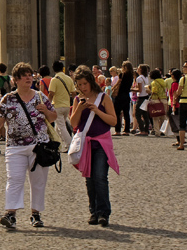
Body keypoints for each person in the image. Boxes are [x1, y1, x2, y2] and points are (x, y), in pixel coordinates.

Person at [0, 62, 57, 229]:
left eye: (30, 75)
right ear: (15, 80)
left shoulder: (40, 97)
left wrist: (47, 112)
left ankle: (36, 214)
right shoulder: (8, 99)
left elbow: (53, 117)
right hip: (15, 146)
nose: (28, 78)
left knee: (38, 182)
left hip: (39, 146)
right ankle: (11, 213)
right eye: (24, 75)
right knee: (14, 179)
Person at [69, 67, 119, 227]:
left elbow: (113, 121)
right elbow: (73, 123)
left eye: (85, 83)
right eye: (79, 84)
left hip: (101, 143)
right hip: (86, 143)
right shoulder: (78, 100)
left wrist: (97, 111)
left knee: (100, 178)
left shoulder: (104, 98)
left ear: (91, 82)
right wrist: (79, 109)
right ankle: (94, 212)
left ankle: (104, 213)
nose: (83, 87)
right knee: (89, 179)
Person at [48, 60, 74, 151]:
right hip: (67, 105)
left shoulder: (54, 80)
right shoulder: (68, 78)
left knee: (61, 126)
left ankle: (70, 144)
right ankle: (59, 143)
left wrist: (48, 104)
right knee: (58, 127)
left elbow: (51, 93)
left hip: (57, 106)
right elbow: (73, 92)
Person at [113, 62, 134, 135]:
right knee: (126, 113)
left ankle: (117, 130)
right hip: (127, 95)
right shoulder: (131, 76)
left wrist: (113, 89)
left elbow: (118, 84)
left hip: (120, 95)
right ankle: (126, 130)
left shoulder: (122, 75)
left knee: (117, 113)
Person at [145, 69, 168, 137]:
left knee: (155, 117)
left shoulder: (154, 82)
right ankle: (163, 131)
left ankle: (157, 132)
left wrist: (149, 91)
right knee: (163, 117)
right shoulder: (163, 81)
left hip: (156, 100)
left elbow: (155, 91)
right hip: (163, 99)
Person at [131, 64, 152, 136]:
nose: (137, 69)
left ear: (140, 70)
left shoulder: (139, 78)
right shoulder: (146, 77)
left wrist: (131, 89)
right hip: (146, 96)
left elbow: (139, 90)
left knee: (138, 114)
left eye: (138, 68)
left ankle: (142, 129)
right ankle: (146, 130)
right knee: (145, 114)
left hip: (141, 97)